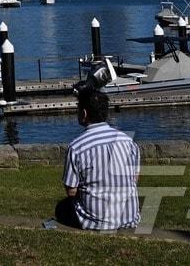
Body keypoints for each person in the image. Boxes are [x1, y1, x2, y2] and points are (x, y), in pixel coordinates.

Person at [55, 85, 141, 230]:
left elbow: (71, 190)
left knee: (62, 208)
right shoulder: (128, 142)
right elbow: (134, 179)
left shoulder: (77, 147)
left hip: (96, 221)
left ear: (84, 113)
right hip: (129, 217)